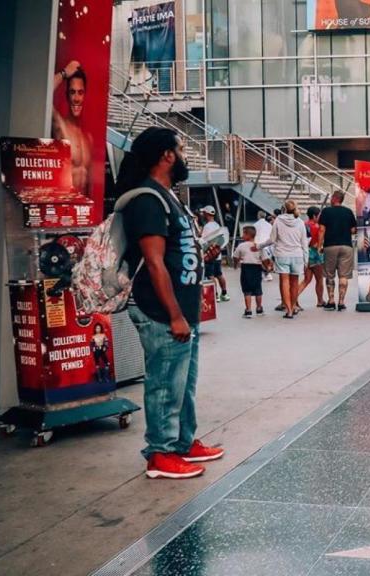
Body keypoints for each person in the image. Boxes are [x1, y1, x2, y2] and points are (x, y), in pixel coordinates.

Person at [117, 126, 224, 479]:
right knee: (164, 383)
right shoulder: (147, 199)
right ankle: (160, 454)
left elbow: (176, 253)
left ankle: (182, 443)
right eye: (181, 149)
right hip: (162, 310)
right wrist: (175, 315)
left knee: (183, 383)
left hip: (182, 309)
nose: (184, 156)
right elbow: (154, 261)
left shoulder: (168, 196)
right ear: (167, 155)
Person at [256, 200, 308, 319]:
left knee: (284, 282)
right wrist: (306, 259)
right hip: (297, 255)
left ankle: (288, 310)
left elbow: (272, 239)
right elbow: (304, 242)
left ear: (283, 209)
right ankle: (294, 306)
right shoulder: (300, 222)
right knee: (294, 282)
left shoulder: (278, 220)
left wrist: (259, 246)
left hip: (282, 254)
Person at [51, 61, 92, 196]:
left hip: (82, 213)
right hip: (63, 209)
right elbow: (43, 95)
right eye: (72, 92)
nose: (76, 98)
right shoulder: (60, 126)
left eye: (80, 93)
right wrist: (64, 73)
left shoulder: (88, 139)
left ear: (85, 96)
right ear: (67, 96)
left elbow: (88, 186)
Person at [318, 191, 357, 311]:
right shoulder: (348, 212)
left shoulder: (326, 211)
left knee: (330, 275)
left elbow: (321, 229)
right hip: (346, 246)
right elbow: (354, 230)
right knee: (343, 275)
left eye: (331, 197)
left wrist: (320, 245)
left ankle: (331, 301)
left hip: (330, 246)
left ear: (334, 198)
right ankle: (341, 302)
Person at [233, 225, 265, 318]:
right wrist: (267, 267)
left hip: (246, 268)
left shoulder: (241, 246)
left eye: (244, 233)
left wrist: (236, 264)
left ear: (248, 235)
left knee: (247, 290)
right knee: (258, 289)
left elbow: (235, 257)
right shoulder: (258, 246)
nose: (242, 235)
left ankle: (248, 310)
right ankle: (259, 308)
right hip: (257, 268)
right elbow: (264, 258)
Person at [199, 206, 230, 302]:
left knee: (210, 275)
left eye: (203, 213)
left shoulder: (207, 226)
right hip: (218, 255)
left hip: (210, 255)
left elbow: (203, 241)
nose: (202, 214)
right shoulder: (217, 225)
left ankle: (215, 294)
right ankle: (224, 293)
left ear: (207, 214)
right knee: (219, 274)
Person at [253, 211, 274, 281]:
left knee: (259, 261)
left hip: (258, 245)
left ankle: (265, 274)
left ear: (258, 216)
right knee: (267, 261)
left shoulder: (255, 225)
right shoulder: (269, 225)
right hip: (268, 245)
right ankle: (266, 274)